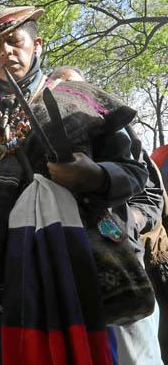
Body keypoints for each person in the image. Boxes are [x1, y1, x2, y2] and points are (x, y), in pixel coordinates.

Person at [0, 6, 149, 365]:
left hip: (73, 264)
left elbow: (136, 174)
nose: (6, 52)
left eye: (14, 41)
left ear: (37, 44)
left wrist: (95, 176)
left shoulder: (85, 101)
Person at [51, 66, 166, 365]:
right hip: (62, 269)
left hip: (121, 264)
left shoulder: (115, 129)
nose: (68, 96)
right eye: (58, 88)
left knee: (136, 357)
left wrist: (127, 221)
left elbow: (152, 193)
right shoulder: (39, 137)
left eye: (74, 88)